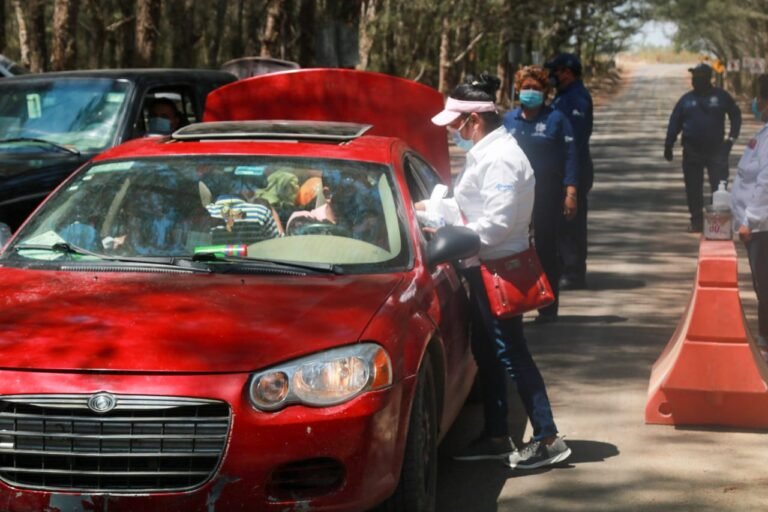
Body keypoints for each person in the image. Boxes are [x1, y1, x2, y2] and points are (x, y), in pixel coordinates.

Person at [423, 74, 571, 469]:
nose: (455, 133)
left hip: (497, 269)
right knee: (489, 352)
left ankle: (547, 436)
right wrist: (435, 212)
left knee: (511, 354)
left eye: (456, 126)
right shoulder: (488, 152)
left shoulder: (502, 158)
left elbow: (497, 223)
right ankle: (496, 434)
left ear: (474, 121)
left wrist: (453, 235)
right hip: (483, 266)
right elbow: (474, 208)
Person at [504, 65, 579, 323]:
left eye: (536, 89)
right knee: (513, 248)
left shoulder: (556, 119)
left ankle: (548, 308)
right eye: (526, 88)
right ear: (517, 89)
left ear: (546, 92)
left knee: (546, 249)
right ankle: (514, 303)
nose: (530, 92)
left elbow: (571, 156)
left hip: (547, 193)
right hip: (513, 195)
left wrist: (571, 191)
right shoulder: (508, 121)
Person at [665, 63, 742, 233]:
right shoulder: (686, 100)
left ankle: (719, 223)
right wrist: (669, 144)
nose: (694, 81)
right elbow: (675, 122)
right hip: (692, 150)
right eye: (693, 78)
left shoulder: (721, 97)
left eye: (697, 78)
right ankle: (697, 221)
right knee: (693, 187)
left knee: (719, 187)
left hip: (717, 150)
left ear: (707, 79)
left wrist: (730, 140)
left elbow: (735, 115)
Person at [546, 52, 593, 290]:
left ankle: (574, 271)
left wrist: (569, 182)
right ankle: (564, 265)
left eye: (554, 71)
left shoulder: (577, 99)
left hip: (574, 169)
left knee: (571, 222)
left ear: (567, 72)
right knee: (561, 222)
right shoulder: (562, 96)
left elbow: (574, 141)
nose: (551, 76)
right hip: (559, 170)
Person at [732, 73, 768, 357]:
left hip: (763, 227)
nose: (755, 103)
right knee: (761, 285)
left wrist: (750, 220)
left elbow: (766, 183)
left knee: (766, 287)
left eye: (759, 99)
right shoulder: (764, 135)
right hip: (759, 227)